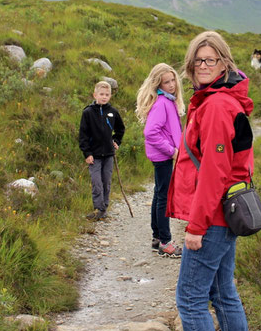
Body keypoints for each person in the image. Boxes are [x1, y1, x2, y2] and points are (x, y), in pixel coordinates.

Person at [167, 31, 254, 331]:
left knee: (189, 299)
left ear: (224, 63)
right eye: (198, 60)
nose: (203, 66)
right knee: (223, 293)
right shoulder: (218, 99)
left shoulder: (217, 105)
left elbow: (215, 172)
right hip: (224, 215)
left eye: (211, 60)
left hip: (214, 218)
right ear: (190, 65)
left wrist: (197, 226)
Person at [136, 63, 186, 257]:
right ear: (158, 84)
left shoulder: (167, 100)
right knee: (164, 196)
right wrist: (172, 151)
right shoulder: (162, 103)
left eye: (173, 80)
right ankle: (165, 241)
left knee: (159, 194)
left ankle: (157, 238)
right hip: (163, 155)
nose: (172, 84)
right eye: (167, 82)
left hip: (162, 155)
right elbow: (150, 132)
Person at [78, 81, 125, 220]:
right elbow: (83, 135)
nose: (104, 97)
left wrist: (116, 141)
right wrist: (87, 153)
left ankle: (104, 209)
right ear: (95, 95)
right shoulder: (88, 112)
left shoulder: (113, 112)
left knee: (106, 182)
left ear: (110, 95)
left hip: (109, 154)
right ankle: (98, 208)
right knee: (96, 182)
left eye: (107, 94)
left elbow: (120, 129)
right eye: (101, 94)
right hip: (94, 155)